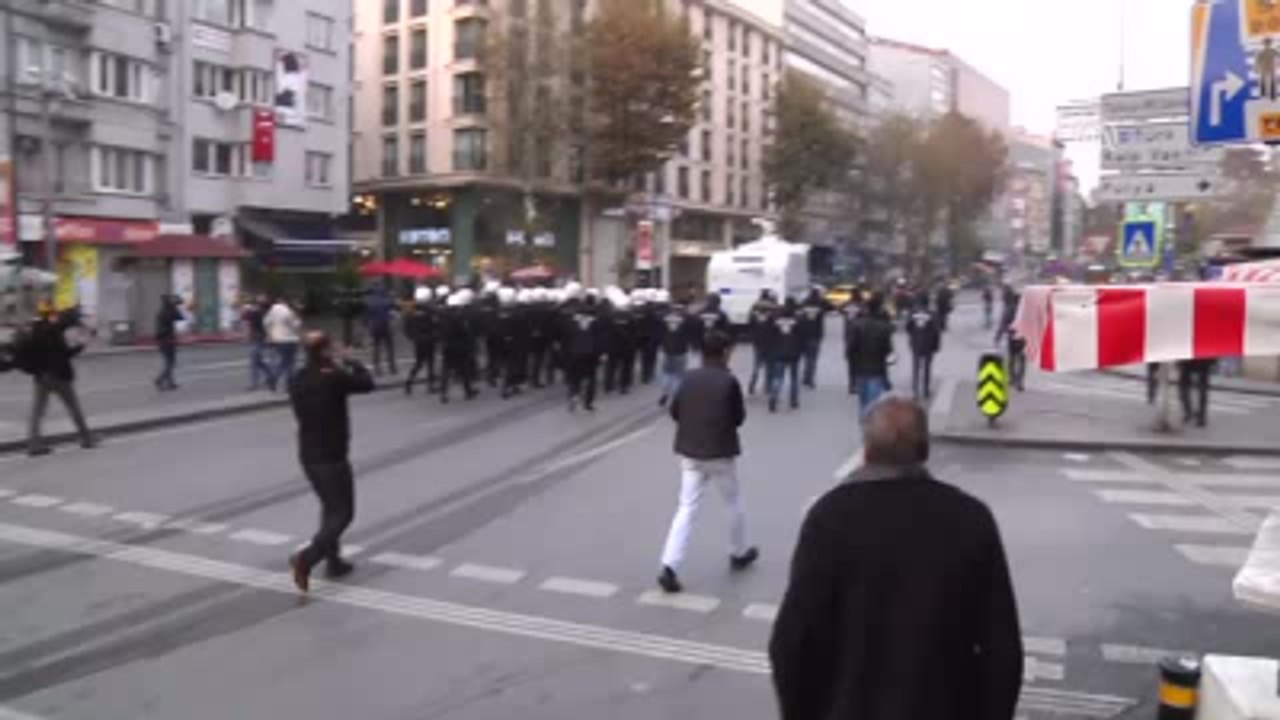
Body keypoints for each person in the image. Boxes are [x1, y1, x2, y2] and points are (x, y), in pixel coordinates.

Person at [769, 398, 1023, 720]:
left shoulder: (830, 518)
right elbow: (1002, 649)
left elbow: (793, 642)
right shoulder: (971, 519)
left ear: (867, 451)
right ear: (925, 450)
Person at [657, 331, 757, 594]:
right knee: (733, 502)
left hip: (690, 453)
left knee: (686, 508)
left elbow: (675, 411)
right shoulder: (729, 381)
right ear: (725, 352)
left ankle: (669, 565)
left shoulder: (688, 378)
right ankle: (738, 552)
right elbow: (739, 418)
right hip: (720, 453)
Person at [287, 331, 376, 593]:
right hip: (332, 455)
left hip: (308, 454)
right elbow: (367, 383)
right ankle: (307, 558)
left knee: (329, 506)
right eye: (333, 346)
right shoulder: (334, 377)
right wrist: (352, 361)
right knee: (343, 513)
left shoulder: (298, 378)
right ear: (325, 350)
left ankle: (334, 561)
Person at [15, 304, 96, 456]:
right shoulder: (53, 331)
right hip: (59, 377)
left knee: (37, 412)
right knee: (73, 408)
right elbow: (64, 354)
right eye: (54, 314)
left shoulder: (34, 330)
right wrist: (80, 347)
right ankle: (86, 438)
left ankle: (34, 445)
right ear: (51, 315)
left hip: (41, 378)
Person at [846, 293, 895, 420]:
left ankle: (865, 429)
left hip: (860, 370)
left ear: (867, 309)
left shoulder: (856, 326)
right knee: (873, 404)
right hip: (877, 371)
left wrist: (853, 371)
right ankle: (870, 431)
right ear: (879, 309)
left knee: (863, 403)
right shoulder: (884, 328)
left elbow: (850, 350)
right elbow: (889, 353)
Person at [563, 293, 606, 412]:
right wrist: (602, 353)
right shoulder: (596, 322)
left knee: (574, 377)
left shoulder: (571, 322)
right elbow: (600, 339)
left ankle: (574, 395)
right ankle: (588, 402)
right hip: (591, 353)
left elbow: (566, 337)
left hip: (575, 351)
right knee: (591, 377)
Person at [439, 289, 479, 404]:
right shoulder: (460, 316)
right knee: (464, 369)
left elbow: (439, 330)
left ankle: (443, 393)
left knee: (446, 370)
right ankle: (468, 391)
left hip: (447, 346)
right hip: (460, 346)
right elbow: (465, 331)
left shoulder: (442, 315)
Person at [765, 298, 805, 413]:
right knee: (794, 378)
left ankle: (773, 396)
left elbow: (770, 336)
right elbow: (802, 337)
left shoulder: (775, 322)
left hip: (778, 352)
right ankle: (793, 400)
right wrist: (801, 350)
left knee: (777, 377)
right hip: (794, 352)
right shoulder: (797, 321)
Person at [657, 293, 695, 407]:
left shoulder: (665, 316)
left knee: (667, 373)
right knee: (679, 375)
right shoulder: (687, 317)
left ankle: (664, 394)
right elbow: (691, 332)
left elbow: (660, 331)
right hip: (681, 349)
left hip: (667, 349)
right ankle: (676, 397)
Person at [403, 287, 439, 395]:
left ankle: (409, 382)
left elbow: (406, 327)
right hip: (429, 339)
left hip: (418, 341)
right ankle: (431, 385)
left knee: (419, 363)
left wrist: (412, 337)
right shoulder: (431, 310)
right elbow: (436, 325)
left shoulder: (411, 311)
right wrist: (436, 336)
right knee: (430, 363)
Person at [906, 295, 942, 401]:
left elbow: (908, 327)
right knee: (927, 367)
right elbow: (936, 331)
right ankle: (925, 390)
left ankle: (915, 391)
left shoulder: (913, 313)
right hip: (928, 344)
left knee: (916, 367)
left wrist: (913, 336)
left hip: (916, 343)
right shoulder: (932, 314)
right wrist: (937, 345)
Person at [264, 297, 302, 391]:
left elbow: (265, 322)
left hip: (277, 339)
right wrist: (297, 316)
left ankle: (273, 378)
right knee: (290, 363)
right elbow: (295, 325)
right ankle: (289, 385)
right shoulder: (289, 312)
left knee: (283, 362)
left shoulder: (273, 310)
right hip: (290, 340)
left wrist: (270, 334)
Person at [603, 294, 637, 395]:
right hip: (627, 346)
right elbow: (634, 332)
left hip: (613, 346)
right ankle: (624, 386)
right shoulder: (631, 317)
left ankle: (609, 386)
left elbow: (607, 332)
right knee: (626, 367)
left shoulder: (610, 317)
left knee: (611, 366)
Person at [798, 288, 832, 388]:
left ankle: (805, 377)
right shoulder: (821, 303)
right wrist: (823, 299)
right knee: (813, 357)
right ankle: (810, 379)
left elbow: (798, 313)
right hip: (816, 334)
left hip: (803, 334)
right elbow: (831, 307)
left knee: (806, 357)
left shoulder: (804, 303)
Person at [994, 287, 1025, 392]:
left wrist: (998, 337)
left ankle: (1012, 378)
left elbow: (1003, 323)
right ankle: (1020, 381)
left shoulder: (1009, 309)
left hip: (1012, 337)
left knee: (1012, 358)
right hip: (1024, 338)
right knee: (1022, 360)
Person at [747, 290, 777, 395]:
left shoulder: (754, 307)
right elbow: (775, 324)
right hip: (770, 341)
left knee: (756, 364)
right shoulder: (773, 308)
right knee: (770, 365)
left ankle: (752, 385)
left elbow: (749, 322)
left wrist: (752, 335)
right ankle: (768, 387)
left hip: (757, 340)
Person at [365, 285, 398, 377]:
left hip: (375, 327)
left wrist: (367, 326)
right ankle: (392, 367)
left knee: (376, 347)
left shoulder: (369, 302)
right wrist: (392, 297)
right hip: (386, 326)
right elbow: (394, 307)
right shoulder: (386, 301)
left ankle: (377, 368)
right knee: (390, 347)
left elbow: (367, 317)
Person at [153, 294, 184, 392]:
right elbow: (180, 317)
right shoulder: (168, 311)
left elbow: (178, 317)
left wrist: (175, 305)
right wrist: (176, 306)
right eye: (171, 300)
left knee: (169, 362)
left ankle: (170, 383)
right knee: (171, 363)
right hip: (167, 340)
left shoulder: (162, 311)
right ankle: (159, 380)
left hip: (163, 340)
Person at [243, 295, 274, 391]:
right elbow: (247, 318)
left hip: (259, 338)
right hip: (260, 338)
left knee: (254, 361)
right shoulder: (265, 312)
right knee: (258, 361)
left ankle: (254, 384)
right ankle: (271, 375)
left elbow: (246, 318)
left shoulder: (257, 312)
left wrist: (248, 310)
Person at [1179, 358, 1214, 427]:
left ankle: (1188, 412)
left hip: (1189, 359)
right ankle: (1201, 416)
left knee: (1184, 385)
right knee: (1202, 387)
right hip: (1203, 358)